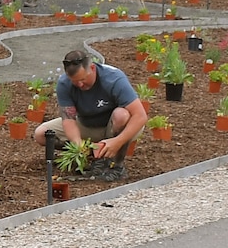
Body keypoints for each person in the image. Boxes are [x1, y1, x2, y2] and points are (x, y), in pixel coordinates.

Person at [36, 46, 147, 174]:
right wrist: (78, 146)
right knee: (41, 134)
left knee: (121, 115)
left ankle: (115, 165)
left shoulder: (114, 78)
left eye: (83, 79)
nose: (80, 85)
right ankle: (92, 155)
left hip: (115, 126)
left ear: (92, 68)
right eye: (75, 82)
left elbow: (140, 116)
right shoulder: (64, 83)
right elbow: (68, 119)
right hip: (87, 124)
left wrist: (117, 141)